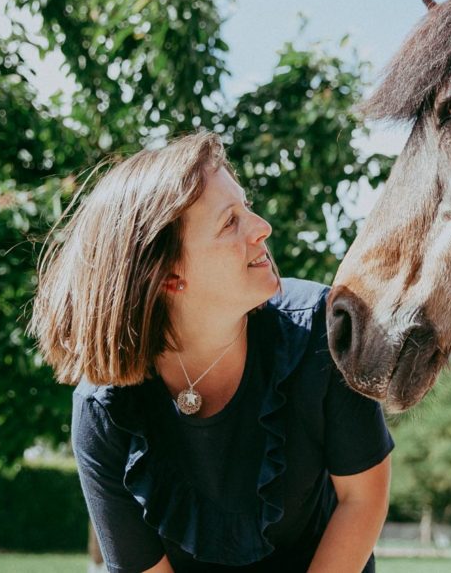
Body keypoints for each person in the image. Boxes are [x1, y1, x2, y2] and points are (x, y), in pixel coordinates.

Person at [30, 131, 393, 572]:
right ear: (166, 275)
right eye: (229, 222)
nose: (262, 227)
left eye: (246, 208)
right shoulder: (102, 409)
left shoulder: (322, 330)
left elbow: (362, 499)